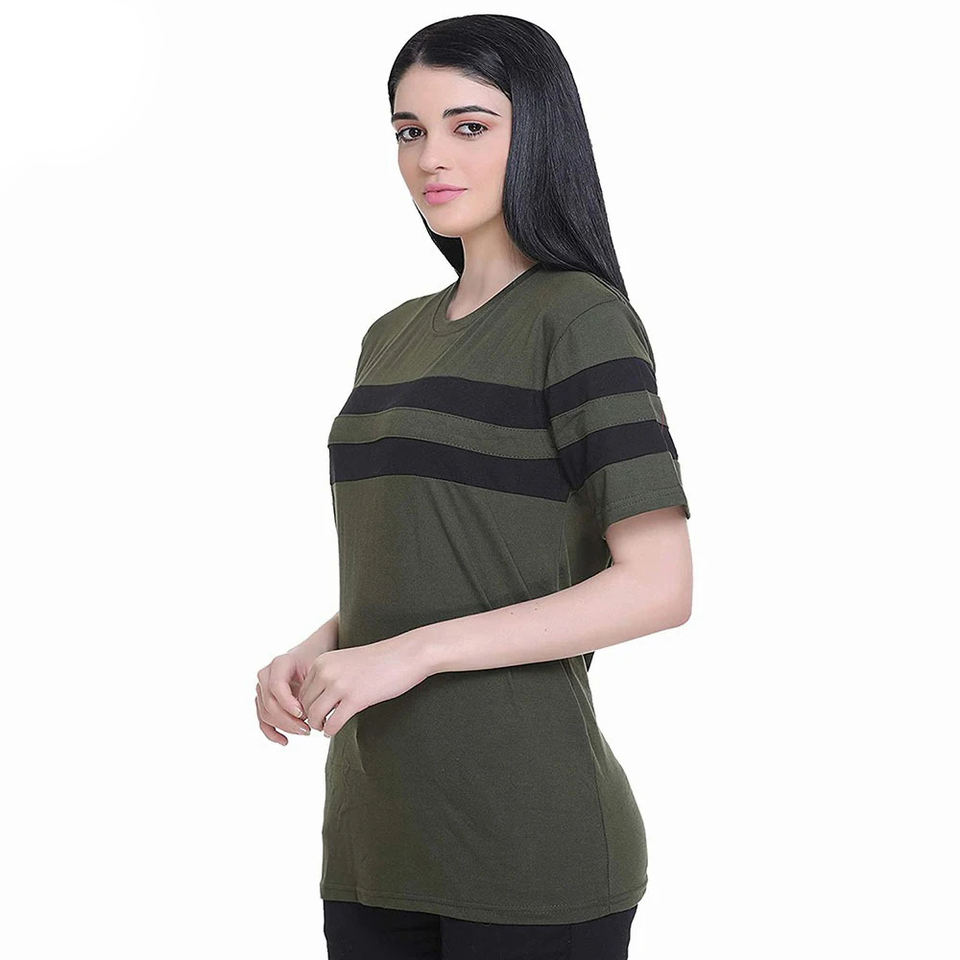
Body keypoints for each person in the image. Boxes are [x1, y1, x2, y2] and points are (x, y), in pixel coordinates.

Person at [255, 14, 693, 960]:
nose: (430, 158)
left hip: (529, 848)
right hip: (376, 841)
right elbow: (434, 555)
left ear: (537, 132)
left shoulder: (579, 319)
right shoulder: (391, 335)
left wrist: (408, 656)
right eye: (408, 131)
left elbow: (660, 586)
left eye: (469, 125)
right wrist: (324, 645)